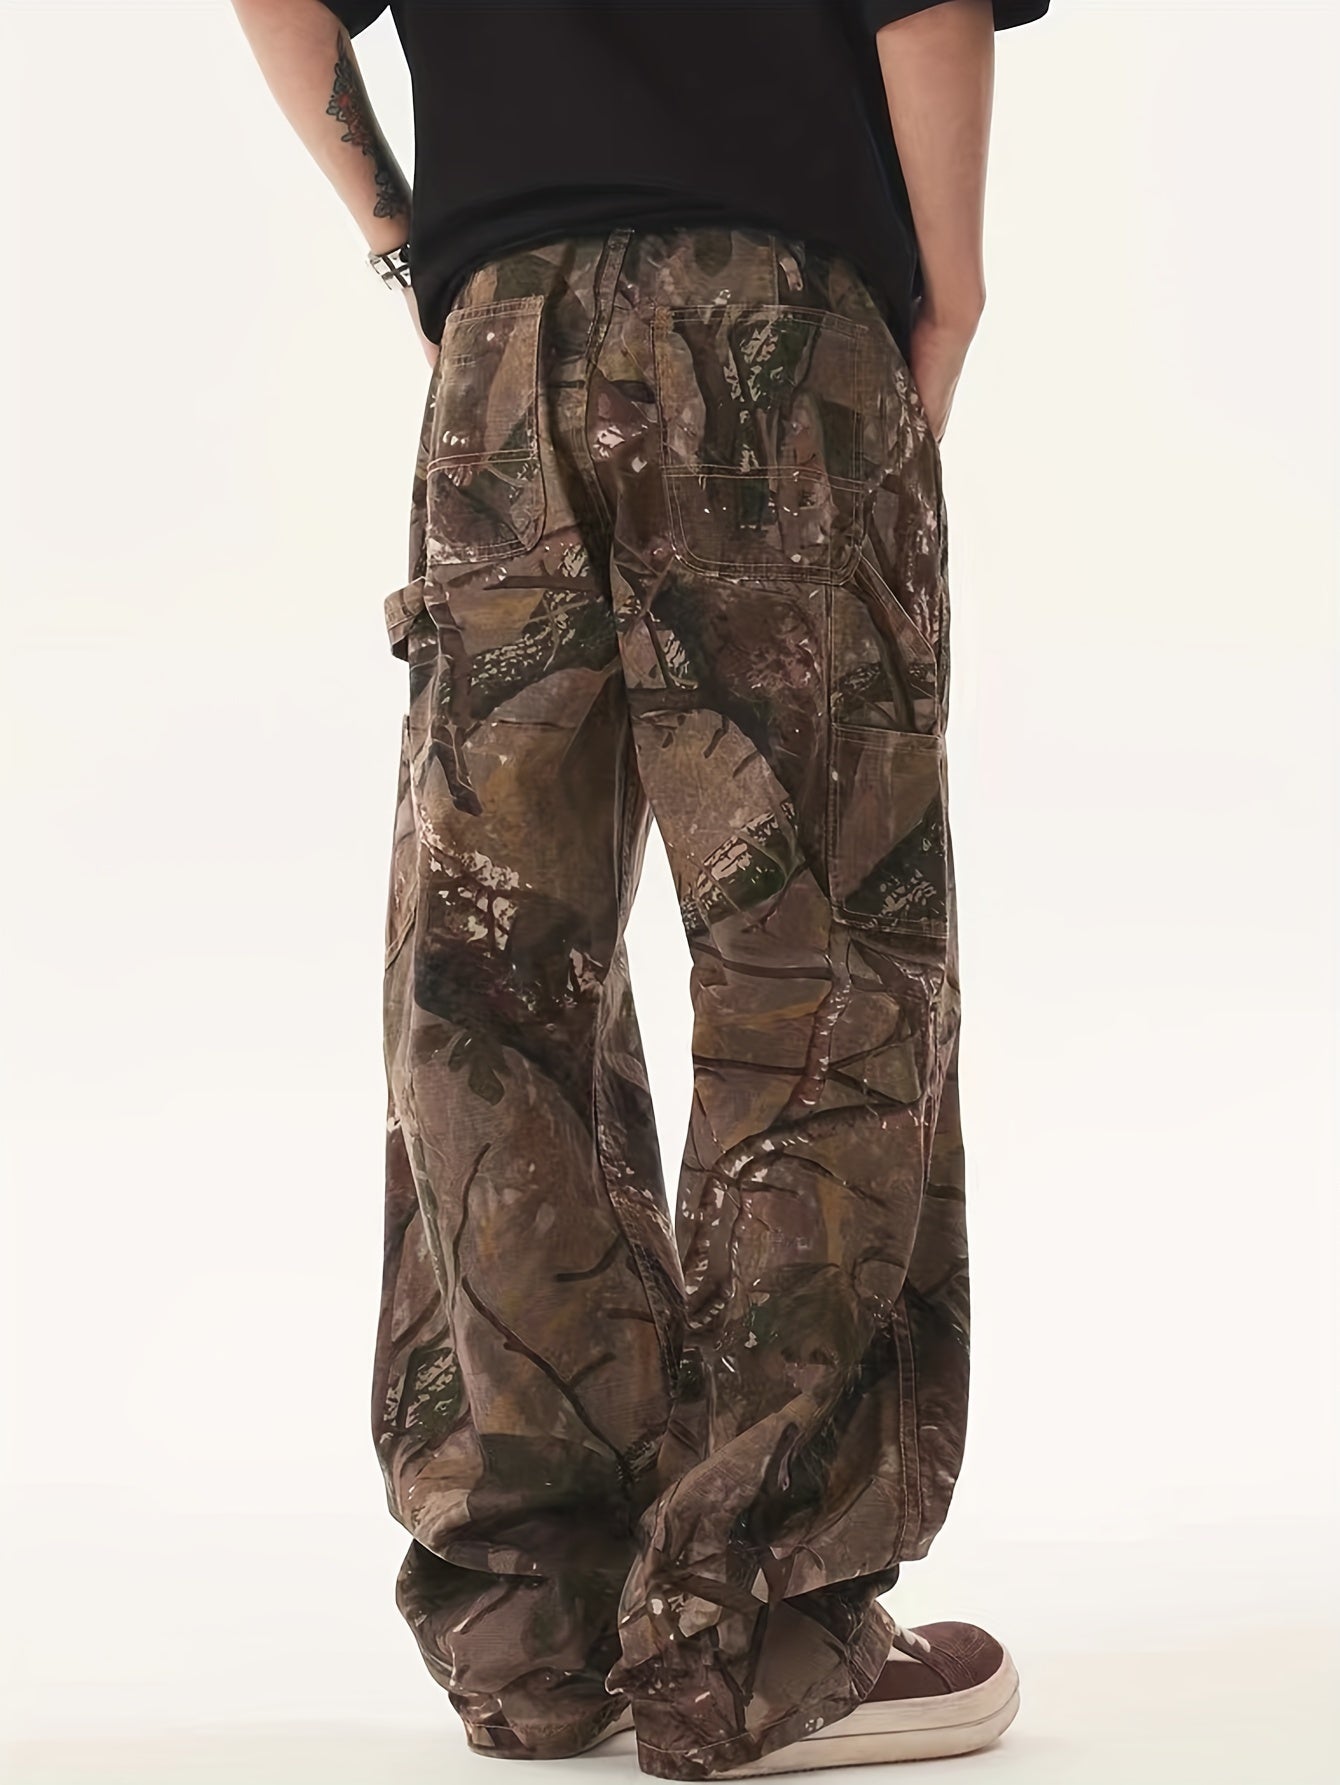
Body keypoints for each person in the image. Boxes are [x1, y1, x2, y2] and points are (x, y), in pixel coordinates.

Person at [231, 3, 1049, 1777]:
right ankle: (753, 1631)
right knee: (819, 964)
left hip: (499, 342)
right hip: (774, 324)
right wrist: (951, 290)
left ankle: (539, 1619)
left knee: (492, 975)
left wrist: (406, 236)